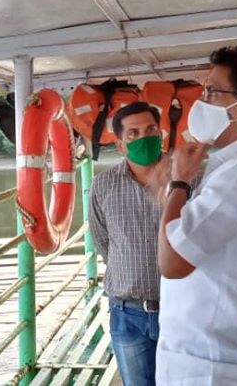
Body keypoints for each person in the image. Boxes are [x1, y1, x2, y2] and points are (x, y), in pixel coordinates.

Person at [155, 46, 237, 385]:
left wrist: (179, 182)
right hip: (206, 359)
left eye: (211, 92)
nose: (201, 103)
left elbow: (173, 262)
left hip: (208, 367)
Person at [88, 101, 165, 386]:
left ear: (161, 133)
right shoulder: (103, 185)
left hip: (181, 309)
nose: (144, 137)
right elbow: (102, 240)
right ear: (120, 145)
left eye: (150, 129)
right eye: (133, 133)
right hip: (127, 313)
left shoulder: (189, 179)